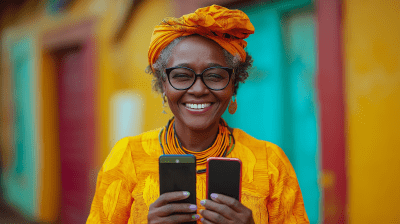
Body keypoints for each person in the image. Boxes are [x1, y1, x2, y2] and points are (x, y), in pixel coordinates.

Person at [87, 5, 309, 224]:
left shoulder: (270, 162)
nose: (199, 89)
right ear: (164, 86)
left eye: (214, 76)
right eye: (182, 75)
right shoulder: (128, 158)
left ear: (233, 86)